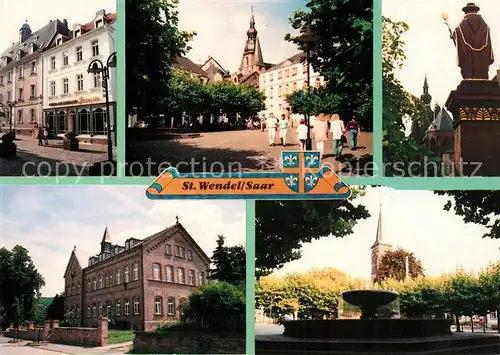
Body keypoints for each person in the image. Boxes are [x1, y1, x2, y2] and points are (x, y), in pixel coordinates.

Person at [449, 2, 494, 80]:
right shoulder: (485, 26)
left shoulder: (462, 25)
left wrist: (453, 36)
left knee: (469, 71)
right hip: (482, 63)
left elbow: (459, 37)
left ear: (466, 11)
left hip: (469, 63)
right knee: (482, 73)